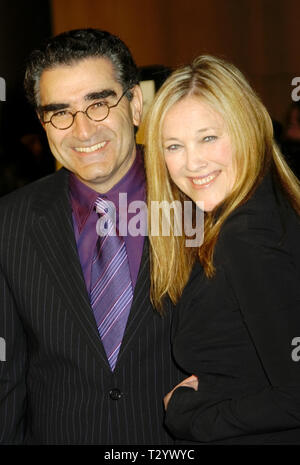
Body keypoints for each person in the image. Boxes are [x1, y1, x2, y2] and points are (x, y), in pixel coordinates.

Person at [0, 28, 184, 444]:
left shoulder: (200, 203)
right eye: (60, 112)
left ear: (135, 104)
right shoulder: (9, 224)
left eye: (98, 104)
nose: (82, 131)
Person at [144, 55, 300, 444]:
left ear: (246, 129)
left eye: (208, 137)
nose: (192, 162)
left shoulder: (247, 237)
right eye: (174, 146)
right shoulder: (264, 209)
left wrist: (189, 415)